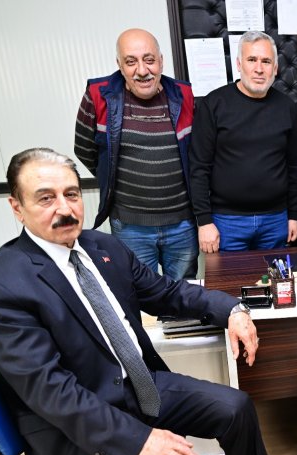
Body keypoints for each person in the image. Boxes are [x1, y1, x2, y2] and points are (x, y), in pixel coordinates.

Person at [0, 148, 297, 455]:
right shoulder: (0, 284)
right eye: (46, 198)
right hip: (77, 425)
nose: (64, 208)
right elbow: (51, 392)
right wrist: (137, 440)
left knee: (236, 408)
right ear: (17, 207)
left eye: (72, 194)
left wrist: (232, 309)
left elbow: (166, 292)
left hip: (138, 387)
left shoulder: (102, 247)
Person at [74, 28, 199, 280]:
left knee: (184, 294)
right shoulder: (99, 95)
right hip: (130, 227)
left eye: (149, 60)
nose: (142, 71)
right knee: (141, 295)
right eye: (131, 62)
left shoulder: (183, 94)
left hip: (182, 224)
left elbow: (197, 154)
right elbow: (85, 150)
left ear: (161, 61)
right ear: (119, 65)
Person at [189, 30, 297, 253]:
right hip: (226, 221)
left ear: (275, 68)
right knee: (229, 277)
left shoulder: (286, 107)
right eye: (252, 60)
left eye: (266, 61)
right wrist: (204, 221)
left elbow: (295, 166)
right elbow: (199, 167)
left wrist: (295, 215)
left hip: (276, 220)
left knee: (276, 276)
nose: (259, 69)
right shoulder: (214, 104)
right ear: (239, 64)